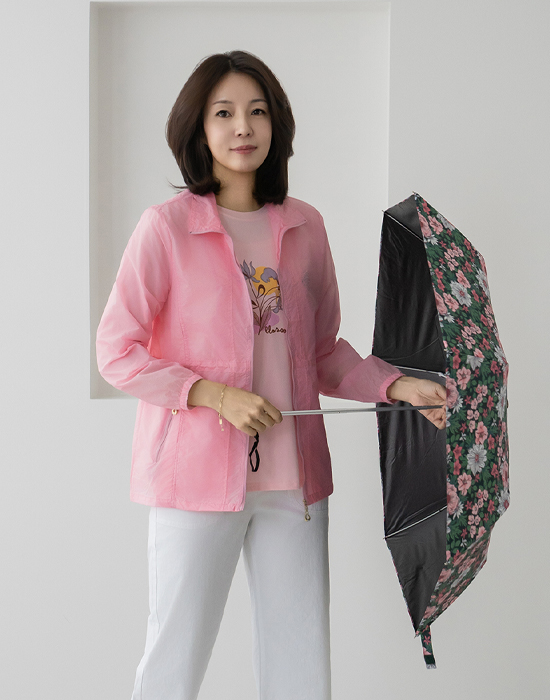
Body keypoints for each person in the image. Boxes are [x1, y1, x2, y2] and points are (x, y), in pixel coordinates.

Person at [96, 50, 446, 700]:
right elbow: (116, 350)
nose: (242, 127)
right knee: (174, 659)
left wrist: (394, 385)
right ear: (197, 126)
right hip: (196, 481)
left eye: (257, 111)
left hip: (294, 484)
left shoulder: (305, 225)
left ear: (276, 124)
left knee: (300, 667)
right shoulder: (165, 229)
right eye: (224, 112)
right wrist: (211, 394)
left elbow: (322, 352)